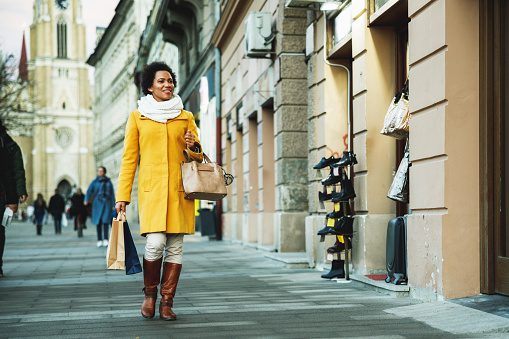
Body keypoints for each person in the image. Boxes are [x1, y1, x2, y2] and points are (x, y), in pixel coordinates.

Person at [115, 62, 203, 321]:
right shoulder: (137, 117)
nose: (168, 85)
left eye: (170, 81)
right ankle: (150, 294)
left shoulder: (185, 116)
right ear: (150, 86)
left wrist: (193, 145)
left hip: (179, 191)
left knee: (175, 247)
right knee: (155, 244)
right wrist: (123, 196)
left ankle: (167, 302)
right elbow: (129, 159)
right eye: (162, 81)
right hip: (152, 192)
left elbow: (198, 157)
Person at [0, 119, 27, 277]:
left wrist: (14, 197)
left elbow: (15, 171)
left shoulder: (8, 145)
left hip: (3, 194)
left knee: (0, 229)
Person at [85, 166, 115, 247]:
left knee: (105, 221)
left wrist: (113, 204)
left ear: (104, 172)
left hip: (107, 204)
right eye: (98, 171)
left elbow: (112, 194)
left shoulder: (108, 182)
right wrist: (86, 200)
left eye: (101, 171)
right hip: (97, 204)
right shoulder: (94, 182)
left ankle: (105, 239)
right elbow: (89, 191)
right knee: (98, 222)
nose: (100, 172)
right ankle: (99, 239)